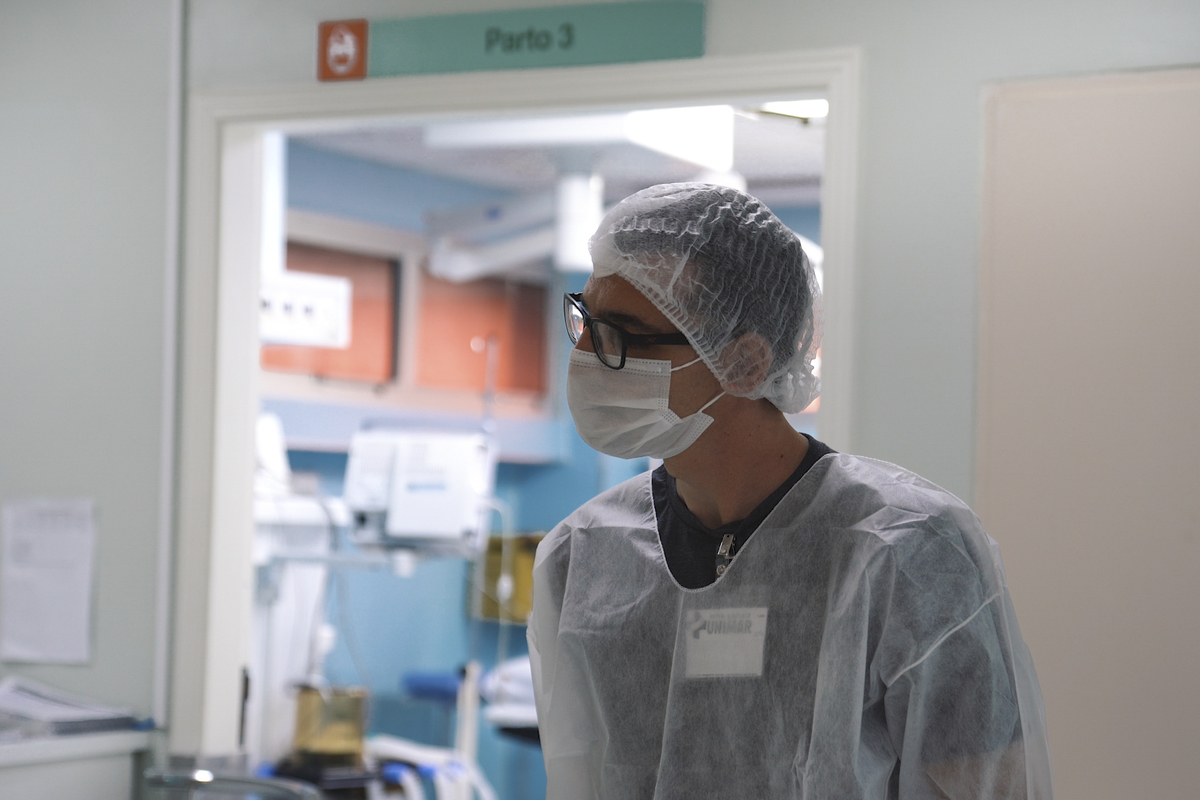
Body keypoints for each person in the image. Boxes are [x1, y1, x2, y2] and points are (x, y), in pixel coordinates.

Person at [527, 183, 1053, 799]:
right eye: (585, 321)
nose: (585, 356)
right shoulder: (582, 557)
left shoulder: (906, 550)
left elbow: (989, 784)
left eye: (621, 335)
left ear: (745, 363)